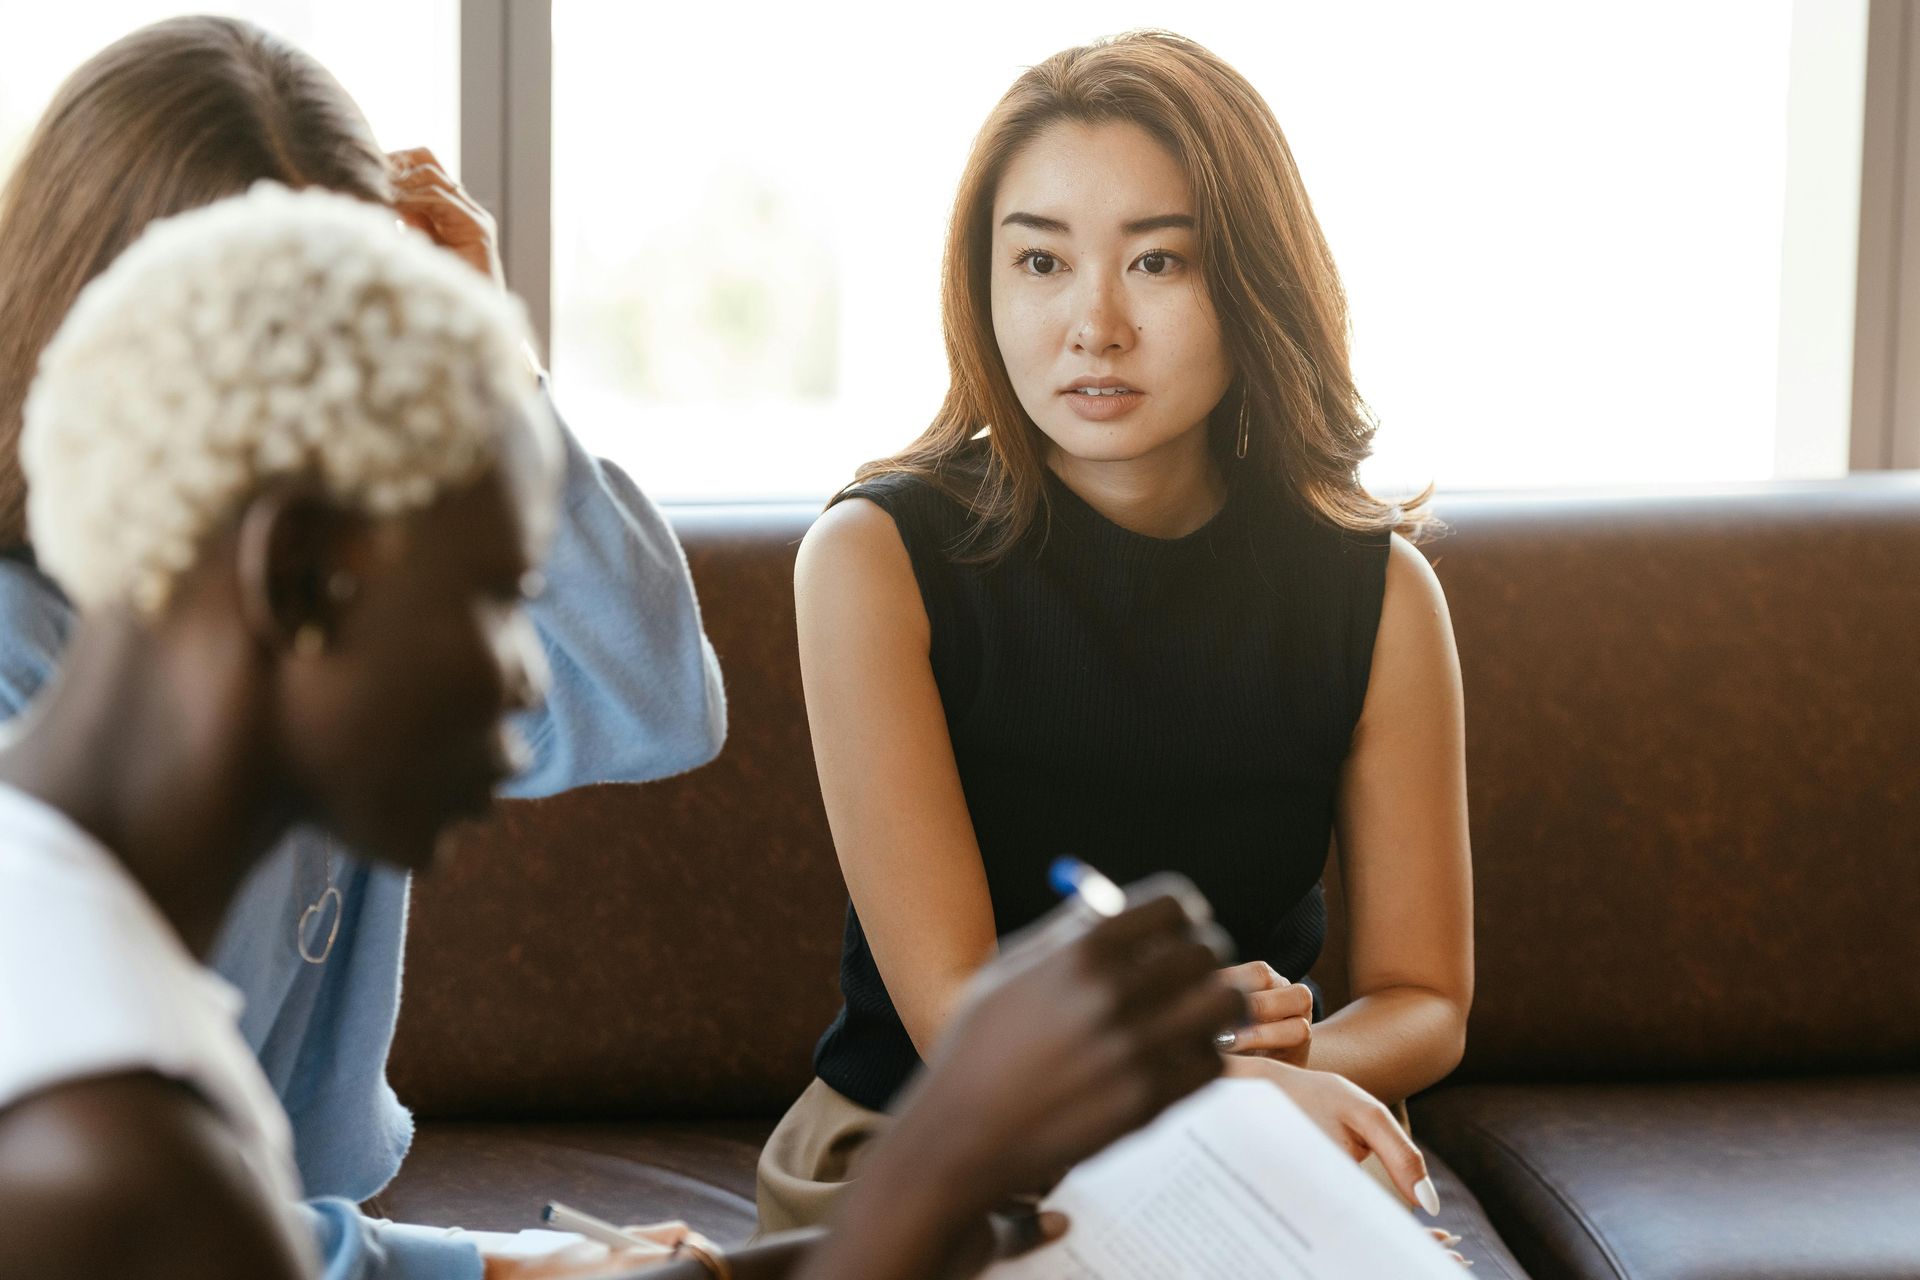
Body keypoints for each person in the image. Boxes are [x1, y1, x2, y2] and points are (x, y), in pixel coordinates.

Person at [0, 183, 1246, 1280]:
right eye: (497, 602)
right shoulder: (101, 1150)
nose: (520, 695)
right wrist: (946, 1147)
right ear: (306, 580)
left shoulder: (78, 959)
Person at [0, 17, 723, 1274]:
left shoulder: (325, 623)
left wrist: (486, 364)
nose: (333, 389)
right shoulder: (105, 1124)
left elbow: (654, 700)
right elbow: (166, 1216)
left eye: (365, 314)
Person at [757, 29, 1473, 1233]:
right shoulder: (873, 559)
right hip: (931, 1140)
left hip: (1237, 1136)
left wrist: (1272, 1086)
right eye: (1039, 261)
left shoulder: (1379, 592)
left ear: (1252, 283)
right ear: (982, 286)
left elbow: (1424, 997)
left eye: (1158, 263)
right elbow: (956, 1019)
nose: (1093, 323)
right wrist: (1220, 1077)